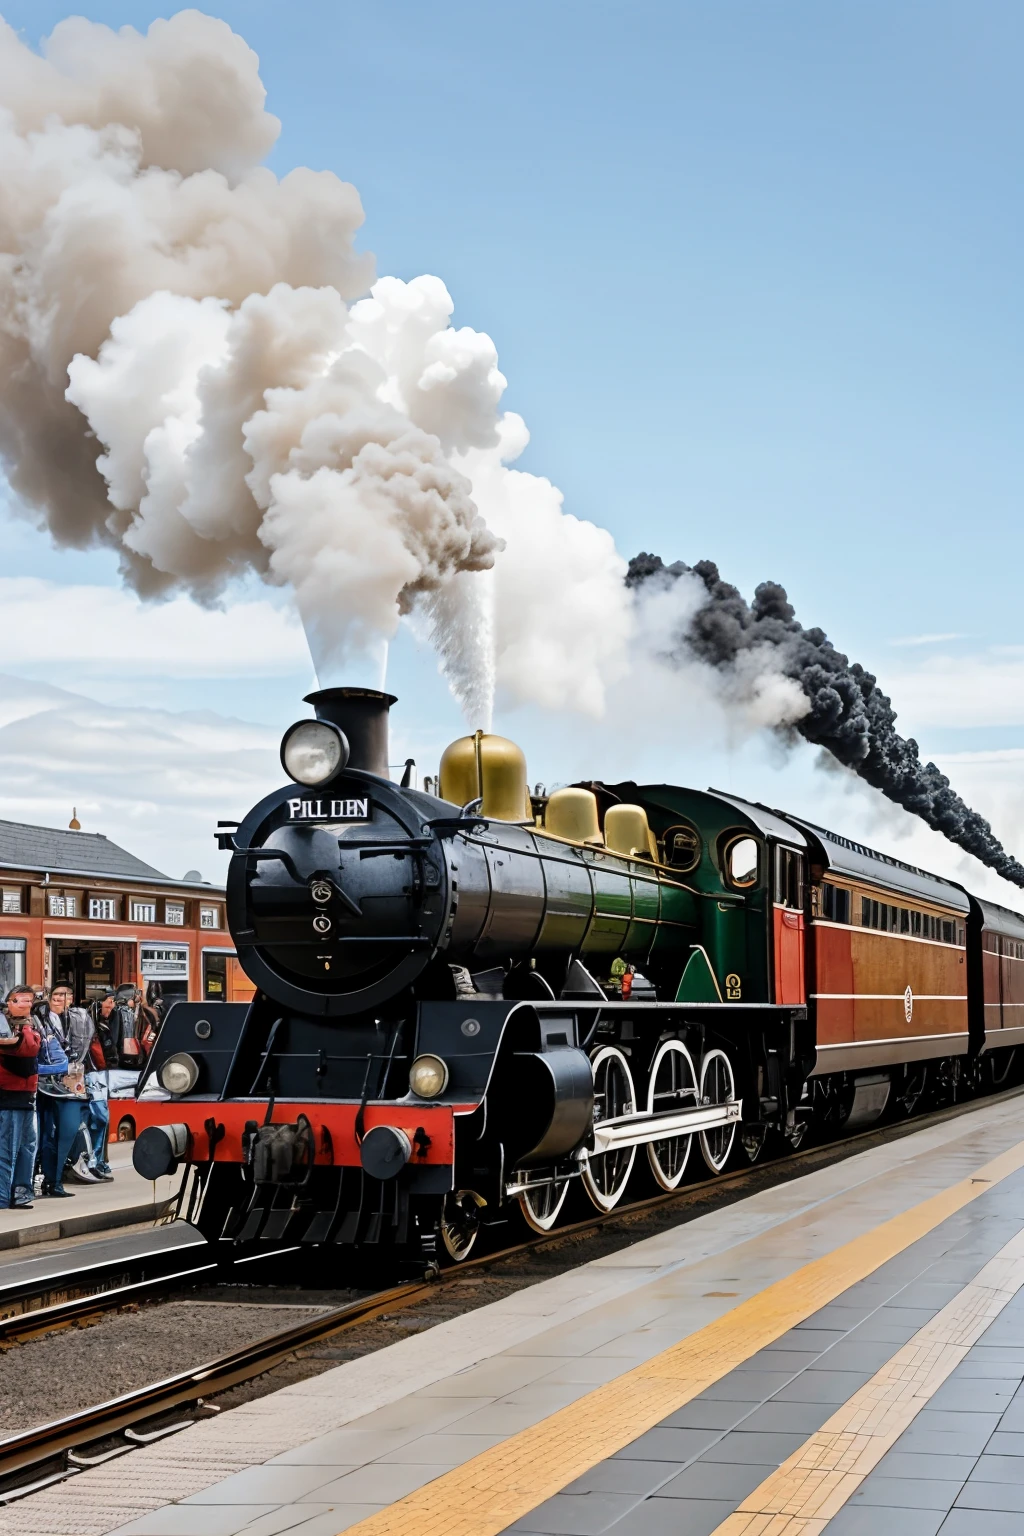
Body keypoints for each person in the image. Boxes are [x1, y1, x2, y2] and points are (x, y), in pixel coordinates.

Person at [34, 987, 91, 1196]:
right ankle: (46, 1181)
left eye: (64, 995)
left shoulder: (75, 1018)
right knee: (43, 1135)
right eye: (55, 996)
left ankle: (53, 1180)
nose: (59, 1000)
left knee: (60, 1133)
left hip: (64, 1083)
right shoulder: (38, 1021)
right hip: (43, 1085)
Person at [0, 986, 41, 1211]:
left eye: (28, 1001)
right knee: (6, 1151)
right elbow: (27, 1049)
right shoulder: (10, 1025)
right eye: (19, 1001)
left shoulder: (31, 1024)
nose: (25, 1005)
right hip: (9, 1097)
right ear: (9, 1002)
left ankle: (22, 1194)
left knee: (27, 1148)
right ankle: (3, 1198)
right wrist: (25, 1026)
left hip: (26, 1096)